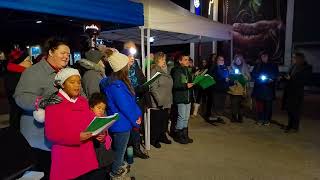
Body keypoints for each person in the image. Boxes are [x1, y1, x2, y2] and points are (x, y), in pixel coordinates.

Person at [14, 37, 70, 179]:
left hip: (60, 137)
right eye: (63, 53)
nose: (66, 57)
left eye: (68, 54)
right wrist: (42, 101)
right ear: (51, 52)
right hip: (39, 139)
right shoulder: (34, 72)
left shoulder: (67, 73)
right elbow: (20, 97)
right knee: (46, 173)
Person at [45, 68, 107, 180]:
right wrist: (77, 137)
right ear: (62, 84)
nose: (77, 85)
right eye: (72, 82)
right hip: (67, 159)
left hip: (87, 156)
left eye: (79, 82)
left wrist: (100, 133)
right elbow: (51, 134)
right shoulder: (54, 103)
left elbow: (92, 122)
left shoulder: (82, 101)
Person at [100, 49, 139, 180]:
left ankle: (118, 169)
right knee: (119, 152)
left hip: (122, 122)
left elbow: (129, 104)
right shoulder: (116, 85)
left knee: (120, 150)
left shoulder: (117, 82)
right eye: (127, 64)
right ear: (121, 67)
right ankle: (115, 174)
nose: (129, 65)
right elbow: (126, 106)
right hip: (121, 124)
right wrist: (136, 119)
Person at [122, 45, 150, 159]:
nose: (132, 58)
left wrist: (146, 85)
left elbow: (143, 80)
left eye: (133, 56)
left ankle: (137, 149)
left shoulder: (136, 67)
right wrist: (137, 89)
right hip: (127, 104)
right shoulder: (121, 70)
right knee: (128, 127)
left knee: (137, 127)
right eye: (129, 56)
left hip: (138, 102)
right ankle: (128, 150)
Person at [282, 52, 312, 133]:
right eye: (293, 57)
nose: (292, 59)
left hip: (297, 93)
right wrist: (284, 77)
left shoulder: (306, 67)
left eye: (294, 58)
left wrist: (290, 79)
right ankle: (290, 125)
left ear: (299, 59)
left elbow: (304, 80)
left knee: (295, 110)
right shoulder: (293, 66)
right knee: (289, 109)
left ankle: (295, 127)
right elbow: (289, 76)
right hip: (289, 92)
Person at [149, 52, 173, 148]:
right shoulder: (154, 70)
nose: (164, 61)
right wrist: (159, 101)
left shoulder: (165, 70)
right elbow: (153, 87)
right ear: (157, 60)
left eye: (165, 59)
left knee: (164, 121)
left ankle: (162, 136)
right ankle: (154, 139)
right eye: (162, 59)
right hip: (158, 102)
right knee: (157, 122)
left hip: (166, 101)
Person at [4, 49, 32, 130]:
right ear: (20, 62)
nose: (31, 62)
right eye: (28, 60)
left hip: (21, 115)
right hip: (19, 116)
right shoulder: (14, 76)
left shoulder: (17, 73)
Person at [251, 51, 279, 126]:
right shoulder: (258, 64)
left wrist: (271, 79)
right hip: (259, 88)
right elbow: (253, 74)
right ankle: (260, 119)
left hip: (268, 89)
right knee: (260, 106)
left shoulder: (273, 65)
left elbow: (275, 74)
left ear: (268, 56)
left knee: (268, 106)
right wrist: (258, 78)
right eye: (262, 56)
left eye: (265, 56)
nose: (264, 58)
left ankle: (267, 119)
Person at [89, 92, 115, 171]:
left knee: (106, 168)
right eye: (99, 108)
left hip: (104, 149)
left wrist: (105, 136)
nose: (101, 111)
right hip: (96, 152)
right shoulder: (89, 119)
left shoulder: (103, 117)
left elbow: (106, 133)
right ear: (91, 107)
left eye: (103, 109)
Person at [171, 55, 194, 144]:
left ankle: (185, 135)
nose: (187, 61)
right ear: (180, 61)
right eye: (185, 60)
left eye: (188, 60)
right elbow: (176, 85)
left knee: (186, 118)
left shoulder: (187, 71)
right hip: (180, 97)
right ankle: (178, 135)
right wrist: (185, 85)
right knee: (181, 117)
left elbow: (188, 82)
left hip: (187, 97)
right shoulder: (177, 71)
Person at [228, 54, 251, 122]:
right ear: (234, 60)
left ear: (241, 60)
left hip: (242, 88)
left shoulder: (245, 67)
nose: (238, 61)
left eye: (239, 60)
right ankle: (234, 117)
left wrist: (244, 77)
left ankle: (240, 116)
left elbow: (249, 77)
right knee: (234, 103)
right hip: (234, 88)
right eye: (237, 60)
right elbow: (229, 77)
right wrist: (232, 79)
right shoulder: (231, 67)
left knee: (241, 104)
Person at [207, 55, 229, 123]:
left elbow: (228, 76)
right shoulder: (214, 67)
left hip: (223, 88)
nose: (222, 61)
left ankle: (219, 117)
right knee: (215, 103)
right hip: (216, 88)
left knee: (221, 104)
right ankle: (213, 117)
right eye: (220, 60)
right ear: (217, 60)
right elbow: (211, 77)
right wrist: (222, 79)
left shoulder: (225, 68)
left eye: (223, 60)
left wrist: (230, 80)